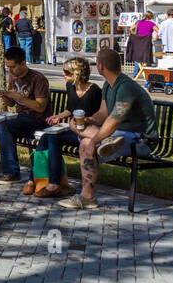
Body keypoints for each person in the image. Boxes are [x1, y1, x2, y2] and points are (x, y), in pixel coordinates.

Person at [59, 48, 158, 210]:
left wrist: (94, 141)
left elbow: (114, 120)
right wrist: (89, 119)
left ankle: (87, 197)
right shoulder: (108, 85)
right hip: (120, 135)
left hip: (140, 140)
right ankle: (88, 196)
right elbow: (103, 114)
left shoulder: (126, 87)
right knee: (74, 125)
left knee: (86, 144)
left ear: (100, 66)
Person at [0, 46, 52, 184]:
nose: (10, 70)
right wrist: (6, 96)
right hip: (20, 118)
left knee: (4, 126)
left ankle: (12, 172)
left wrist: (18, 97)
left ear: (23, 63)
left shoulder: (38, 79)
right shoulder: (13, 77)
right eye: (8, 67)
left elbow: (40, 107)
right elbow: (12, 103)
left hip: (37, 120)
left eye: (13, 67)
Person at [31, 57, 103, 198]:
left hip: (88, 133)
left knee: (52, 138)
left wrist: (86, 121)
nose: (63, 75)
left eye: (66, 72)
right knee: (48, 137)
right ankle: (47, 181)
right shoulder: (70, 87)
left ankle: (52, 184)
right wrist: (58, 116)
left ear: (76, 73)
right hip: (74, 128)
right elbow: (71, 109)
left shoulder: (94, 91)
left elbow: (100, 116)